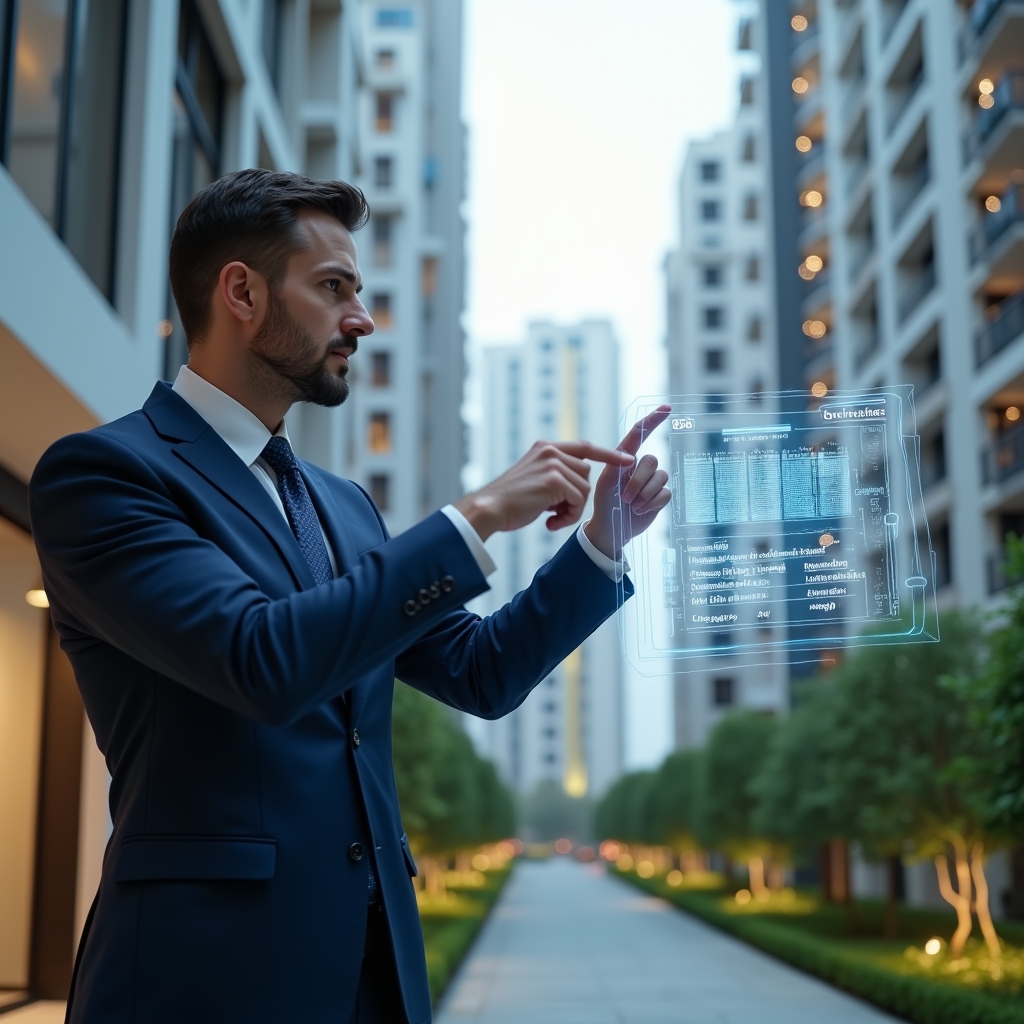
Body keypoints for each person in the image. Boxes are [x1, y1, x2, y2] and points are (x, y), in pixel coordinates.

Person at [29, 168, 671, 1024]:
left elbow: (480, 673)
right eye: (334, 289)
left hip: (374, 975)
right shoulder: (106, 476)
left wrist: (600, 543)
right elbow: (261, 659)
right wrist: (474, 515)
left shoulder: (343, 506)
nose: (362, 319)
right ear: (242, 292)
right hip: (201, 979)